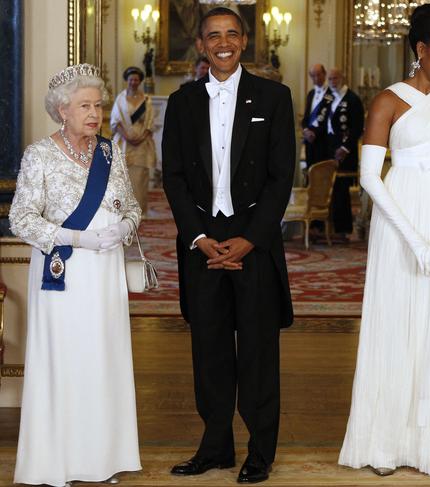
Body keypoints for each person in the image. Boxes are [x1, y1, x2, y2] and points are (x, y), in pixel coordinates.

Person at [338, 4, 430, 477]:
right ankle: (386, 442)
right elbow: (369, 177)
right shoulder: (387, 100)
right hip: (398, 222)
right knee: (395, 322)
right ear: (420, 50)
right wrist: (418, 244)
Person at [162, 7, 295, 484]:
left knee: (259, 351)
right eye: (213, 36)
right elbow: (173, 176)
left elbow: (283, 176)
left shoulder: (274, 97)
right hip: (201, 241)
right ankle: (216, 446)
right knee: (210, 350)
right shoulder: (181, 103)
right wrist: (198, 238)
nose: (223, 43)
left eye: (232, 35)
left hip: (253, 243)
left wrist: (251, 239)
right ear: (201, 44)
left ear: (244, 41)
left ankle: (260, 452)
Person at [9, 64, 142, 486]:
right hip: (63, 274)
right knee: (65, 362)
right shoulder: (39, 155)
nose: (95, 113)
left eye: (99, 105)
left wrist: (125, 227)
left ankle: (99, 459)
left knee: (102, 360)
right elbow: (21, 220)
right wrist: (76, 238)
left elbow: (134, 207)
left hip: (105, 276)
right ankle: (57, 462)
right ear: (62, 110)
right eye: (85, 105)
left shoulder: (110, 153)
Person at [110, 66, 156, 214]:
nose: (133, 82)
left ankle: (140, 211)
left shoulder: (146, 100)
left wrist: (140, 138)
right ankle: (124, 211)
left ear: (140, 81)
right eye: (131, 79)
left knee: (140, 178)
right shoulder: (120, 99)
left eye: (136, 80)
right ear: (127, 80)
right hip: (124, 143)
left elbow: (150, 123)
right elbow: (115, 122)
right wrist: (127, 136)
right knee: (124, 177)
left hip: (142, 144)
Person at [326, 67, 364, 238]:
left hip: (345, 151)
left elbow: (357, 128)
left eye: (335, 78)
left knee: (342, 190)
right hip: (329, 148)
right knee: (329, 190)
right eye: (330, 79)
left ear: (342, 78)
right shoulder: (328, 97)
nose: (332, 82)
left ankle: (343, 229)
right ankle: (330, 228)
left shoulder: (353, 99)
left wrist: (345, 148)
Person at [301, 63, 332, 167]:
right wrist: (305, 131)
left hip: (324, 141)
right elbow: (306, 117)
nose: (316, 78)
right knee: (310, 172)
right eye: (313, 76)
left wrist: (315, 133)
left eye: (319, 75)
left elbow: (330, 119)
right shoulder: (311, 94)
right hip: (310, 142)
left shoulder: (331, 94)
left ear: (324, 74)